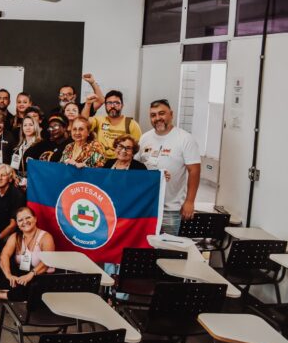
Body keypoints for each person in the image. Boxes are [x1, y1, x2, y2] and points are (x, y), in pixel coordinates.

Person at [137, 99, 201, 235]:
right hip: (147, 205)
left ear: (171, 114)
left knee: (167, 248)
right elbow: (136, 167)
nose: (157, 118)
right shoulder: (145, 138)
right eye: (153, 115)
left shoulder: (185, 138)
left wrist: (190, 202)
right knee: (146, 246)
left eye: (161, 113)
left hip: (171, 208)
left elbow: (194, 171)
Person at [0, 207, 55, 301]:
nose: (25, 222)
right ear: (17, 224)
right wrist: (8, 275)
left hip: (41, 275)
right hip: (22, 273)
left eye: (28, 218)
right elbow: (4, 256)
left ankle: (2, 295)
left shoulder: (46, 237)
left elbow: (47, 262)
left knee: (33, 289)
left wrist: (30, 275)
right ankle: (15, 293)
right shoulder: (15, 237)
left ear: (35, 218)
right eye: (20, 220)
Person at [84, 90, 142, 160]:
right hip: (100, 163)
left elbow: (137, 149)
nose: (112, 106)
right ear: (105, 105)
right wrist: (88, 104)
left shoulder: (131, 124)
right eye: (109, 103)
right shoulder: (99, 120)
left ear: (122, 105)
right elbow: (83, 123)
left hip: (120, 164)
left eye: (116, 103)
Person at [0, 165, 25, 242]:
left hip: (10, 232)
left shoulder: (18, 195)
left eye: (3, 175)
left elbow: (13, 225)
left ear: (10, 179)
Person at [11, 115, 51, 179]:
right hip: (17, 181)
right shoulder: (18, 147)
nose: (28, 128)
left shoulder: (42, 144)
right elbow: (13, 166)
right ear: (22, 128)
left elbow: (43, 168)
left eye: (30, 125)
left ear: (35, 127)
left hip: (33, 180)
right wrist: (14, 177)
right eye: (25, 125)